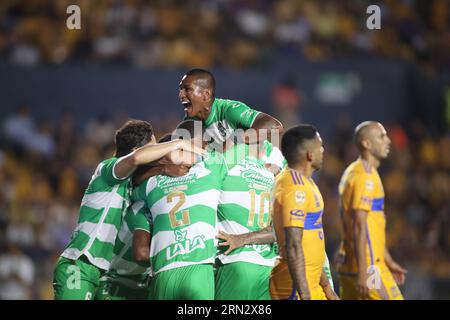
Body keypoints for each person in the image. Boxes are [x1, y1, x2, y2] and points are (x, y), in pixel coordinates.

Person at [53, 119, 204, 300]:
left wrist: (166, 169)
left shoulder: (129, 185)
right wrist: (178, 143)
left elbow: (149, 170)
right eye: (152, 149)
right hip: (79, 263)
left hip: (99, 271)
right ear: (137, 150)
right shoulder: (108, 169)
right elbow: (136, 159)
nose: (156, 155)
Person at [133, 120, 227, 300]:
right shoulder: (210, 170)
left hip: (163, 272)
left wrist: (159, 168)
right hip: (198, 268)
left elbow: (132, 176)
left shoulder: (150, 185)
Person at [336, 121, 407, 300]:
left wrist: (388, 260)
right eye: (382, 136)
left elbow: (371, 225)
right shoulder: (364, 177)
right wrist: (363, 272)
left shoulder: (360, 171)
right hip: (368, 267)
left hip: (355, 264)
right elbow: (360, 226)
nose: (388, 141)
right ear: (366, 144)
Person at [269, 124, 338, 300]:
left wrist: (326, 286)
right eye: (320, 145)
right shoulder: (294, 187)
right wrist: (305, 295)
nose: (323, 150)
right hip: (295, 289)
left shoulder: (307, 183)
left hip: (311, 285)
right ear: (310, 154)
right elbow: (293, 245)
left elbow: (310, 240)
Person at [214, 138, 278, 300]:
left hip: (235, 262)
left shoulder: (222, 170)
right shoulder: (271, 176)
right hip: (268, 267)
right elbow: (280, 229)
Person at [178, 68, 284, 155]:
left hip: (268, 166)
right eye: (180, 89)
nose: (181, 95)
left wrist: (236, 138)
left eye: (187, 89)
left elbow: (275, 126)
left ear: (206, 94)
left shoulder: (230, 110)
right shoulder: (190, 122)